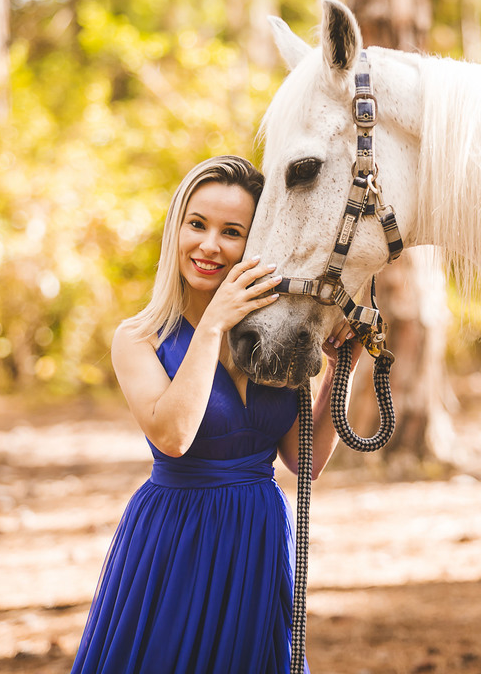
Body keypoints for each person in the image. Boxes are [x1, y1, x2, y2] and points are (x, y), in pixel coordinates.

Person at [71, 155, 360, 674]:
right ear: (176, 228)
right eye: (197, 224)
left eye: (232, 232)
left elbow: (304, 463)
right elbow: (174, 435)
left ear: (254, 244)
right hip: (175, 538)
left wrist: (343, 371)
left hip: (258, 534)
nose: (210, 246)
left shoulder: (273, 337)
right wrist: (211, 329)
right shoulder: (139, 338)